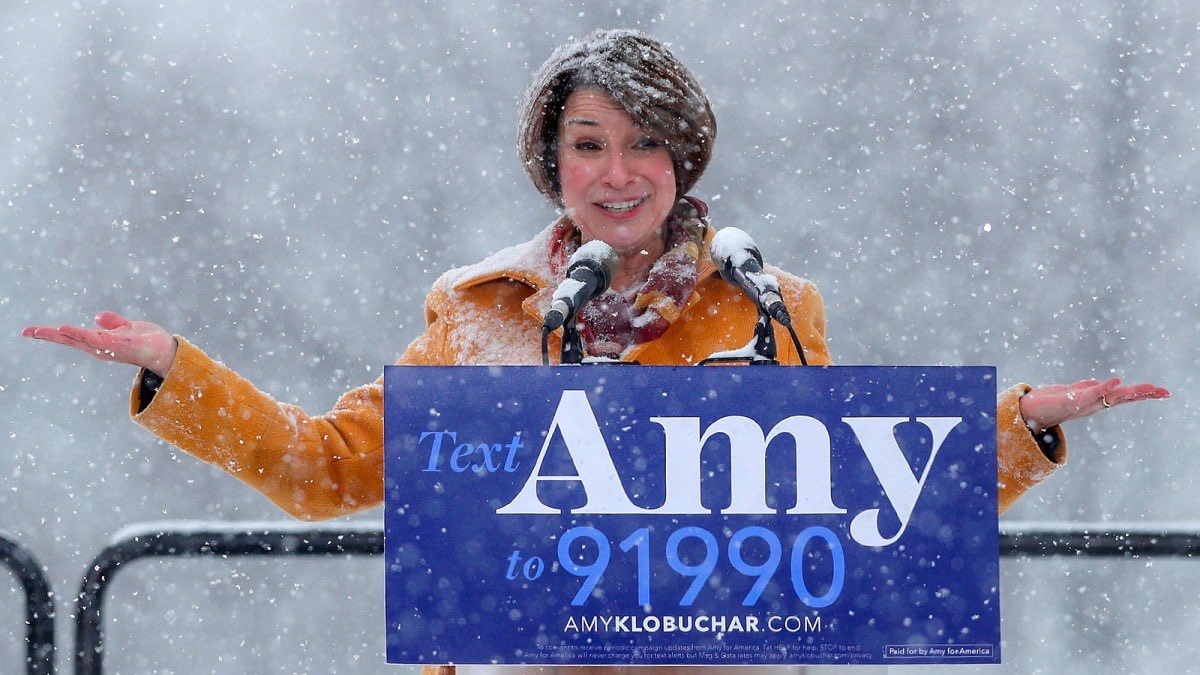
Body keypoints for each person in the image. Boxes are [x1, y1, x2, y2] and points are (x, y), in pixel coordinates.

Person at [23, 29, 1168, 675]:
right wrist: (177, 367)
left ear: (684, 159)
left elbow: (857, 502)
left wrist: (1026, 428)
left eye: (644, 144)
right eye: (588, 144)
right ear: (552, 164)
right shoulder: (478, 314)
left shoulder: (768, 307)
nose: (617, 172)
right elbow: (324, 471)